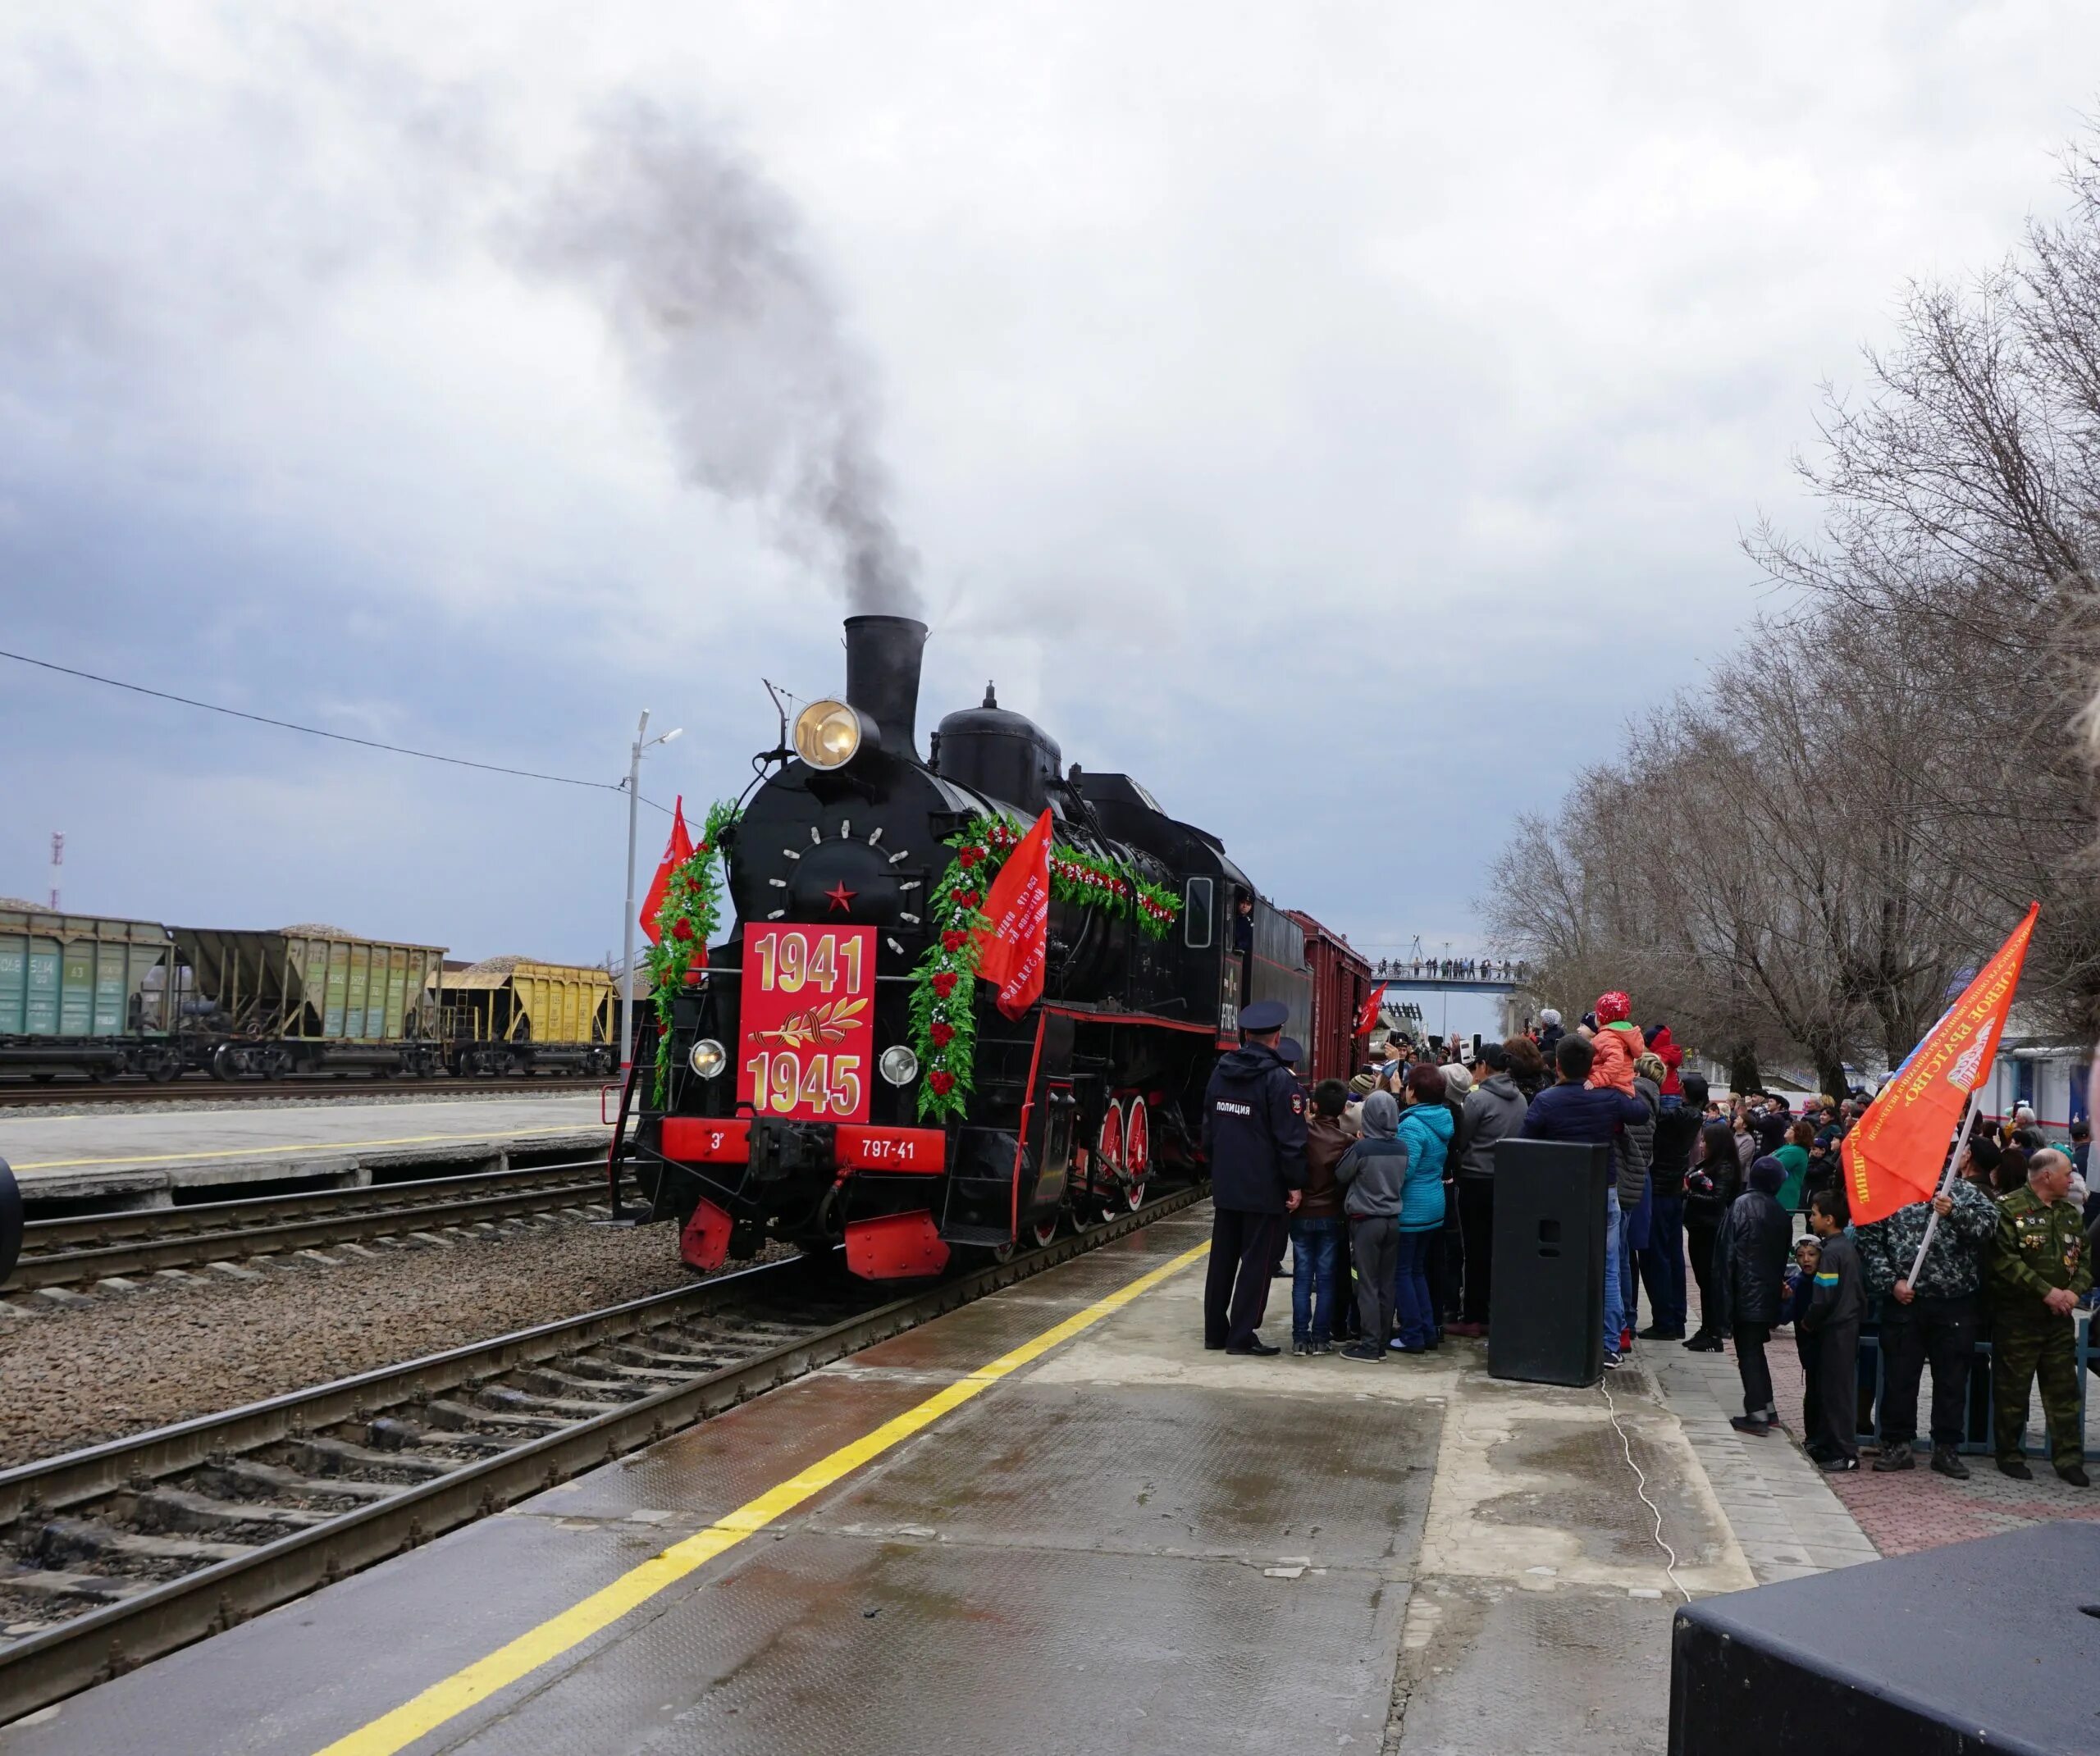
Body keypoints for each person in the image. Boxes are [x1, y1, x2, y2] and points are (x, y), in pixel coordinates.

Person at [1854, 1149, 2000, 1477]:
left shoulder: (1962, 1192)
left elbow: (1989, 1227)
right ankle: (1897, 1444)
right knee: (1900, 1378)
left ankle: (1946, 1449)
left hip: (1954, 1302)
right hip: (1906, 1301)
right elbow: (1870, 1240)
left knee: (1951, 1380)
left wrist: (1954, 1213)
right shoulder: (1889, 1194)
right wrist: (1891, 1282)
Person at [1519, 1033, 1651, 1366]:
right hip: (1603, 1189)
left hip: (1558, 1194)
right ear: (1591, 1064)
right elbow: (1639, 1113)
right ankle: (1609, 1344)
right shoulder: (1608, 1098)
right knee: (1608, 1268)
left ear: (1558, 1065)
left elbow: (1524, 1143)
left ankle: (1556, 1334)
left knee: (1555, 1265)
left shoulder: (1546, 1101)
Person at [1200, 998, 1307, 1357]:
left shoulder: (1220, 1072)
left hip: (1227, 1183)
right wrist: (1295, 1184)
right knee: (1257, 1264)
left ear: (1245, 1035)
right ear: (1277, 1038)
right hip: (1264, 1188)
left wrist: (1218, 1168)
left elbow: (1208, 1129)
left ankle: (1215, 1331)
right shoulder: (1279, 1082)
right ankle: (1241, 1336)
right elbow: (1290, 1141)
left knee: (1222, 1260)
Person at [1988, 1147, 2093, 1485]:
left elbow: (2085, 1259)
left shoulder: (2070, 1214)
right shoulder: (2008, 1209)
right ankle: (2010, 1454)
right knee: (2012, 1392)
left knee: (2064, 1392)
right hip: (2018, 1319)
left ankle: (2069, 1459)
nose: (2071, 1180)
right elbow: (2005, 1261)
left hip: (2059, 1320)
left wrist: (2074, 1293)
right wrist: (2047, 1292)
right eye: (2066, 1173)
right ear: (2047, 1175)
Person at [1710, 1156, 1793, 1434]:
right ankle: (1766, 1408)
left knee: (1749, 1352)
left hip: (1745, 1293)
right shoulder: (1780, 1212)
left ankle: (1757, 1412)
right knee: (1755, 1350)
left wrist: (1723, 1300)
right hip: (1765, 1294)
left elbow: (1726, 1257)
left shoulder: (1741, 1207)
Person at [1453, 1042, 1525, 1335]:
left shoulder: (1478, 1100)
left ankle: (1473, 1316)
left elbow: (1462, 1139)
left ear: (1483, 1066)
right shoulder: (1520, 1099)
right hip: (1507, 1181)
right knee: (1499, 1250)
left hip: (1475, 1179)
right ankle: (1498, 1311)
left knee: (1474, 1251)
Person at [1335, 1090, 1407, 1361]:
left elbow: (1341, 1174)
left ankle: (1369, 1344)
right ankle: (1382, 1341)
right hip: (1393, 1221)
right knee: (1387, 1284)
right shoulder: (1402, 1147)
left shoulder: (1363, 1148)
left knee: (1366, 1283)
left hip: (1366, 1222)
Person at [1797, 1188, 1865, 1471]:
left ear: (1829, 1218)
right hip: (1844, 1326)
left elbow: (1824, 1296)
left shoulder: (1833, 1252)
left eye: (1813, 1214)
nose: (1810, 1219)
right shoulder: (1843, 1247)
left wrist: (1808, 1321)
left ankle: (1846, 1453)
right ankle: (1827, 1443)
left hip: (1838, 1329)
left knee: (1837, 1394)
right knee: (1829, 1390)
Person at [1392, 1063, 1454, 1352]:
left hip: (1411, 1209)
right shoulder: (1442, 1119)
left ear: (1413, 1092)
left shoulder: (1412, 1126)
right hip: (1434, 1206)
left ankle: (1412, 1334)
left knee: (1402, 1272)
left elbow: (1404, 1171)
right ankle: (1427, 1330)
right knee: (1417, 1271)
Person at [1288, 1079, 1351, 1355]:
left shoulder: (1302, 1133)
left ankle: (1300, 1339)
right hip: (1331, 1215)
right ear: (1343, 1109)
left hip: (1301, 1213)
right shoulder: (1347, 1142)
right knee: (1326, 1279)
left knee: (1302, 1278)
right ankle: (1322, 1339)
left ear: (1314, 1105)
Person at [1640, 1070, 1704, 1340]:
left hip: (1661, 1191)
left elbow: (1652, 1112)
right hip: (1672, 1189)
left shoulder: (1683, 1115)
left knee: (1657, 1257)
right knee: (1672, 1255)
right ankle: (1675, 1319)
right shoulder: (1691, 1115)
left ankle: (1665, 1320)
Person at [1682, 1103, 1741, 1352]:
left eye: (1705, 1141)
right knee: (1703, 1280)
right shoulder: (1708, 1164)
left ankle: (1713, 1331)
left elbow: (1717, 1200)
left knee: (1709, 1281)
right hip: (1697, 1228)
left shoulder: (1724, 1167)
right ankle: (1706, 1327)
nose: (1702, 1145)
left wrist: (1688, 1195)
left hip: (1710, 1230)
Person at [1617, 1053, 1663, 1343]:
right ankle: (1628, 1320)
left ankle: (1624, 1319)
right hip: (1641, 1177)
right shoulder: (1654, 1097)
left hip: (1626, 1175)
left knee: (1620, 1253)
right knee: (1627, 1252)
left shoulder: (1635, 1096)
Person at [1586, 990, 1646, 1095]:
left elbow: (1615, 1062)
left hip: (1610, 1087)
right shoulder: (1626, 1034)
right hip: (1625, 1085)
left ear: (1601, 1018)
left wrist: (1596, 1080)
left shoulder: (1607, 1036)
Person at [1773, 1120, 1814, 1213]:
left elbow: (1772, 1166)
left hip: (1783, 1196)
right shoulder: (1788, 1147)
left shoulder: (1796, 1151)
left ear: (1798, 1134)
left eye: (1790, 1128)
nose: (1787, 1129)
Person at [1646, 1023, 1685, 1104]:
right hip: (1673, 1094)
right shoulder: (1669, 1054)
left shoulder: (1659, 1058)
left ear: (1653, 1045)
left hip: (1663, 1095)